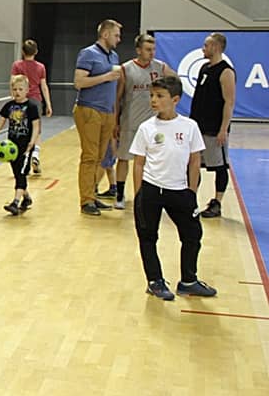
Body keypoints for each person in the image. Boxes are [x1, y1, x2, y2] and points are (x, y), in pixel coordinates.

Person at [131, 76, 216, 300]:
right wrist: (139, 194)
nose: (153, 100)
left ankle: (188, 280)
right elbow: (138, 163)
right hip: (151, 190)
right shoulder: (146, 128)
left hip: (179, 191)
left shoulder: (189, 126)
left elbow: (195, 160)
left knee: (192, 235)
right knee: (148, 237)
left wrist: (192, 191)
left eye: (160, 96)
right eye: (152, 95)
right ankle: (155, 281)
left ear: (175, 99)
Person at [114, 34, 174, 210]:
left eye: (153, 49)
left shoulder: (160, 67)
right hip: (130, 121)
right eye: (148, 49)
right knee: (124, 158)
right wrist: (115, 121)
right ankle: (120, 194)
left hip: (154, 125)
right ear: (138, 50)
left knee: (153, 160)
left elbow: (176, 83)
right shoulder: (126, 69)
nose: (152, 52)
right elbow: (117, 98)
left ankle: (148, 195)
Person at [73, 19, 122, 216]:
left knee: (100, 157)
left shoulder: (114, 56)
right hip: (89, 109)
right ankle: (86, 200)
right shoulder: (88, 53)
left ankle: (92, 195)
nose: (119, 39)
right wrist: (105, 77)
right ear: (105, 34)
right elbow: (79, 82)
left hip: (107, 111)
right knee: (90, 156)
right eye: (116, 35)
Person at [189, 32, 236, 219]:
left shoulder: (226, 72)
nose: (203, 49)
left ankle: (217, 203)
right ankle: (190, 198)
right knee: (193, 164)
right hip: (197, 127)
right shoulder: (204, 68)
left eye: (206, 45)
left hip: (214, 129)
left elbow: (229, 102)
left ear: (215, 47)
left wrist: (223, 129)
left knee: (220, 166)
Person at [0, 75, 41, 216]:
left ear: (27, 90)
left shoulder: (31, 107)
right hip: (12, 147)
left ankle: (15, 203)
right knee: (17, 174)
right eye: (15, 89)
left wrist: (32, 142)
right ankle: (26, 198)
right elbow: (1, 122)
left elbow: (36, 126)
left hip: (26, 147)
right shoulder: (9, 106)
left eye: (20, 89)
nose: (17, 92)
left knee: (22, 173)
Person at [11, 39, 51, 174]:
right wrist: (48, 104)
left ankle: (24, 159)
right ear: (36, 52)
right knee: (36, 129)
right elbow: (44, 86)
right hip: (36, 100)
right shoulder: (40, 67)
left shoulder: (17, 65)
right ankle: (35, 154)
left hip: (21, 101)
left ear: (23, 51)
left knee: (22, 130)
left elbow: (12, 83)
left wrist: (14, 99)